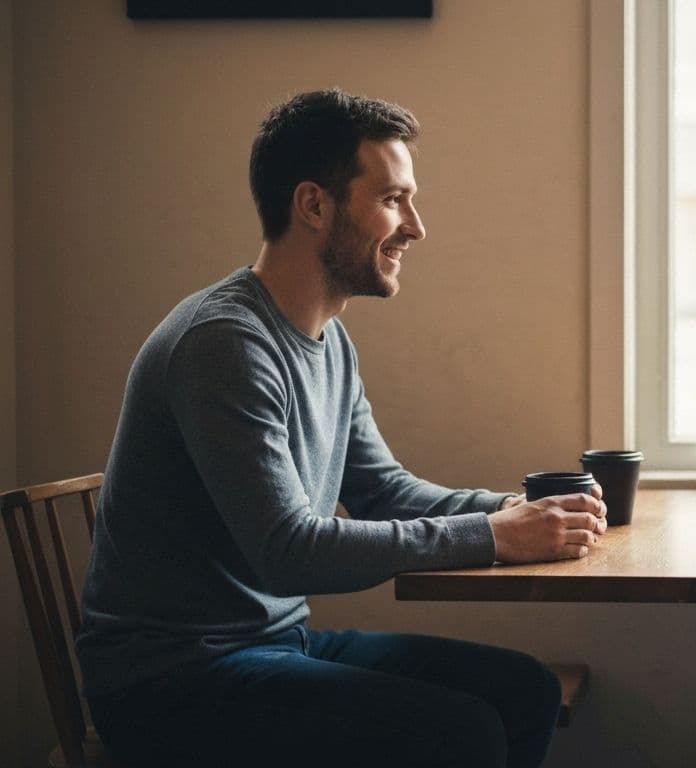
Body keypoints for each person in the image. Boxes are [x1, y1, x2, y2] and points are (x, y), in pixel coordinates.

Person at [76, 89, 608, 768]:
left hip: (272, 646)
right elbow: (287, 550)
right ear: (314, 205)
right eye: (392, 199)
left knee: (522, 690)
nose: (415, 226)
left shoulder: (329, 342)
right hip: (170, 684)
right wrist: (490, 536)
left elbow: (382, 489)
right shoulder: (223, 344)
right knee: (460, 731)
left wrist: (507, 510)